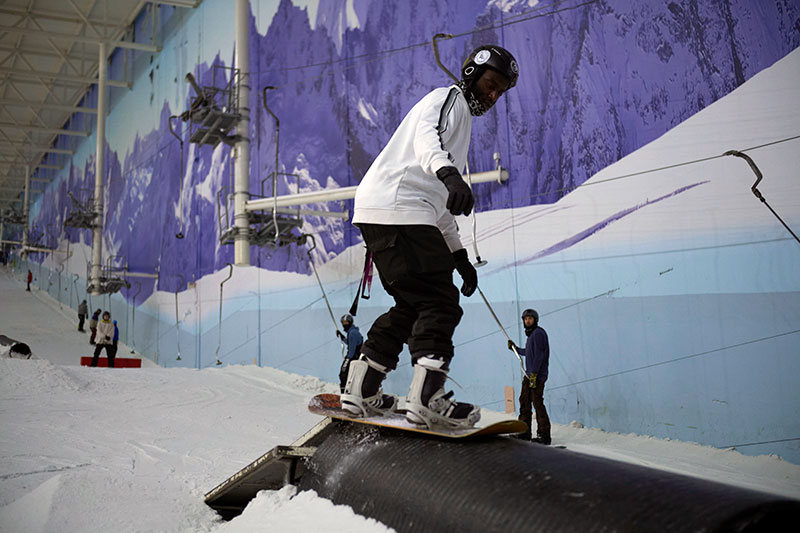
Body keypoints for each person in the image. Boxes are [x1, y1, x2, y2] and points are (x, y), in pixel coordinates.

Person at [342, 45, 519, 429]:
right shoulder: (447, 99)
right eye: (490, 84)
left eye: (499, 91)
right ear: (471, 74)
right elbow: (427, 142)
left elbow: (437, 204)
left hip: (392, 210)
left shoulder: (462, 124)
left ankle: (362, 389)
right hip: (398, 205)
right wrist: (450, 174)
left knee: (412, 304)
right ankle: (427, 398)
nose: (492, 95)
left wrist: (458, 256)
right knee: (440, 301)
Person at [508, 309, 551, 444]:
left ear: (535, 320)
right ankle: (524, 432)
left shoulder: (538, 334)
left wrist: (534, 374)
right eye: (525, 319)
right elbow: (529, 352)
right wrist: (515, 348)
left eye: (530, 319)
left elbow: (539, 355)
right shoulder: (531, 336)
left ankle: (544, 436)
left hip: (536, 375)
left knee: (537, 403)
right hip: (529, 375)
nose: (527, 321)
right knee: (525, 402)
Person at [337, 314, 364, 392]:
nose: (344, 325)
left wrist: (348, 359)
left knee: (343, 374)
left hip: (353, 357)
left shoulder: (353, 333)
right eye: (343, 323)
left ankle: (344, 393)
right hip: (355, 356)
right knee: (347, 375)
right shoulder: (352, 331)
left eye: (346, 323)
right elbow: (351, 343)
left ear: (350, 322)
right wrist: (342, 337)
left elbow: (352, 350)